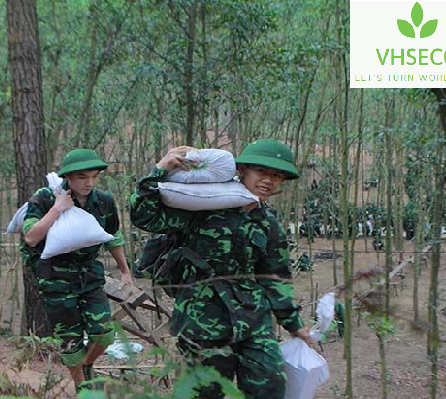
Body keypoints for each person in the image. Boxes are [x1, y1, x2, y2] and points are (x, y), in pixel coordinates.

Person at [129, 139, 315, 399]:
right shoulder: (202, 207)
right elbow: (144, 216)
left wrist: (293, 324)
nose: (269, 181)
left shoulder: (268, 224)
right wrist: (158, 170)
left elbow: (276, 278)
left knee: (269, 385)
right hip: (202, 319)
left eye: (277, 176)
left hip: (253, 319)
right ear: (243, 171)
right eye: (262, 172)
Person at [22, 148, 134, 390]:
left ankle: (85, 364)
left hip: (90, 276)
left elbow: (112, 236)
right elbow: (31, 238)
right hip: (55, 279)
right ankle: (84, 390)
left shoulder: (103, 201)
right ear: (69, 177)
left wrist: (125, 271)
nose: (90, 183)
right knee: (70, 342)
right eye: (83, 177)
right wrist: (58, 209)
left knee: (104, 334)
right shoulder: (45, 197)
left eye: (94, 176)